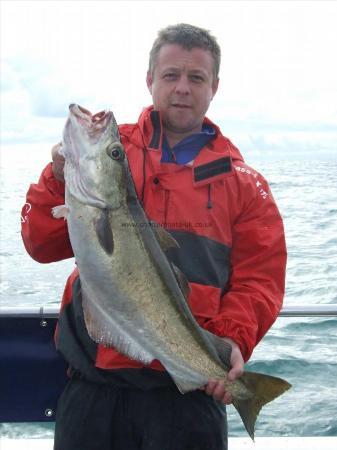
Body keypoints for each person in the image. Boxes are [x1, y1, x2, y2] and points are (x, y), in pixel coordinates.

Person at [21, 23, 286, 450]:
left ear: (214, 87)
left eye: (196, 77)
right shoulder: (112, 153)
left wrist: (230, 341)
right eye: (170, 75)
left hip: (187, 400)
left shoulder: (245, 184)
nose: (182, 88)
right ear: (150, 81)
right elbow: (39, 243)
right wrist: (57, 177)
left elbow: (260, 281)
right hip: (93, 390)